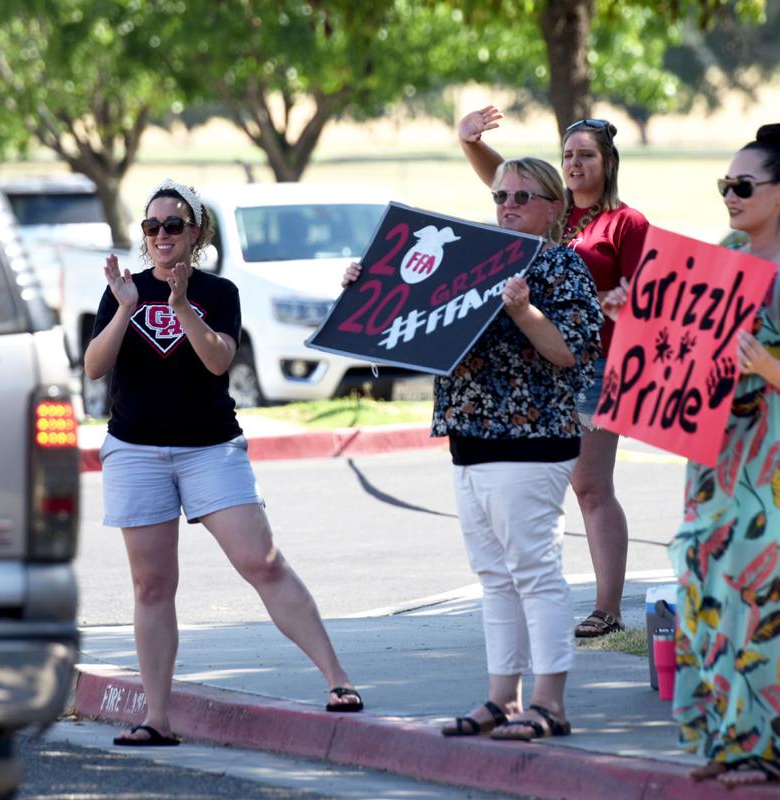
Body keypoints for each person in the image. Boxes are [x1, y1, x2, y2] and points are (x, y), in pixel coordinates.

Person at [86, 179, 362, 747]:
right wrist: (125, 309)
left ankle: (339, 679)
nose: (161, 235)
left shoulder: (220, 291)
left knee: (261, 561)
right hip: (136, 449)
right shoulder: (123, 290)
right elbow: (93, 367)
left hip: (210, 447)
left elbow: (217, 362)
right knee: (152, 584)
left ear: (196, 233)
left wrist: (181, 306)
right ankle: (156, 718)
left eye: (173, 225)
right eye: (151, 226)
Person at [605, 124, 780, 786]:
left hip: (779, 458)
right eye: (724, 186)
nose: (730, 197)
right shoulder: (727, 253)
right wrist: (635, 315)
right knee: (707, 589)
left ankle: (774, 751)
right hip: (715, 451)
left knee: (767, 602)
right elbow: (683, 343)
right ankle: (727, 740)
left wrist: (766, 363)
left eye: (742, 187)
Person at [343, 157, 602, 741]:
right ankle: (501, 699)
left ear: (555, 207)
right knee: (494, 575)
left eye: (523, 196)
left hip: (532, 440)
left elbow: (568, 352)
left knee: (535, 573)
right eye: (500, 196)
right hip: (468, 437)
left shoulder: (561, 267)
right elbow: (404, 325)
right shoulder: (468, 263)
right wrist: (371, 290)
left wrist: (523, 309)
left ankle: (549, 702)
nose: (508, 205)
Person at [457, 106, 648, 638]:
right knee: (534, 484)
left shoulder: (625, 223)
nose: (574, 164)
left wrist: (621, 300)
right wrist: (469, 142)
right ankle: (527, 601)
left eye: (586, 155)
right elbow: (509, 184)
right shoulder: (551, 209)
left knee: (590, 486)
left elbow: (648, 292)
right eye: (567, 155)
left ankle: (607, 608)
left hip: (594, 363)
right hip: (533, 368)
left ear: (608, 162)